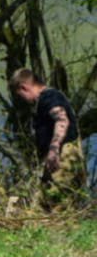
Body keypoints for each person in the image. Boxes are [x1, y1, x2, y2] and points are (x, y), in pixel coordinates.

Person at [8, 68, 87, 209]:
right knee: (46, 203)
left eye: (19, 95)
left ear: (24, 87)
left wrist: (53, 149)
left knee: (58, 203)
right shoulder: (44, 100)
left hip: (64, 155)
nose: (21, 100)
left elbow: (62, 120)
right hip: (57, 157)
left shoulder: (50, 97)